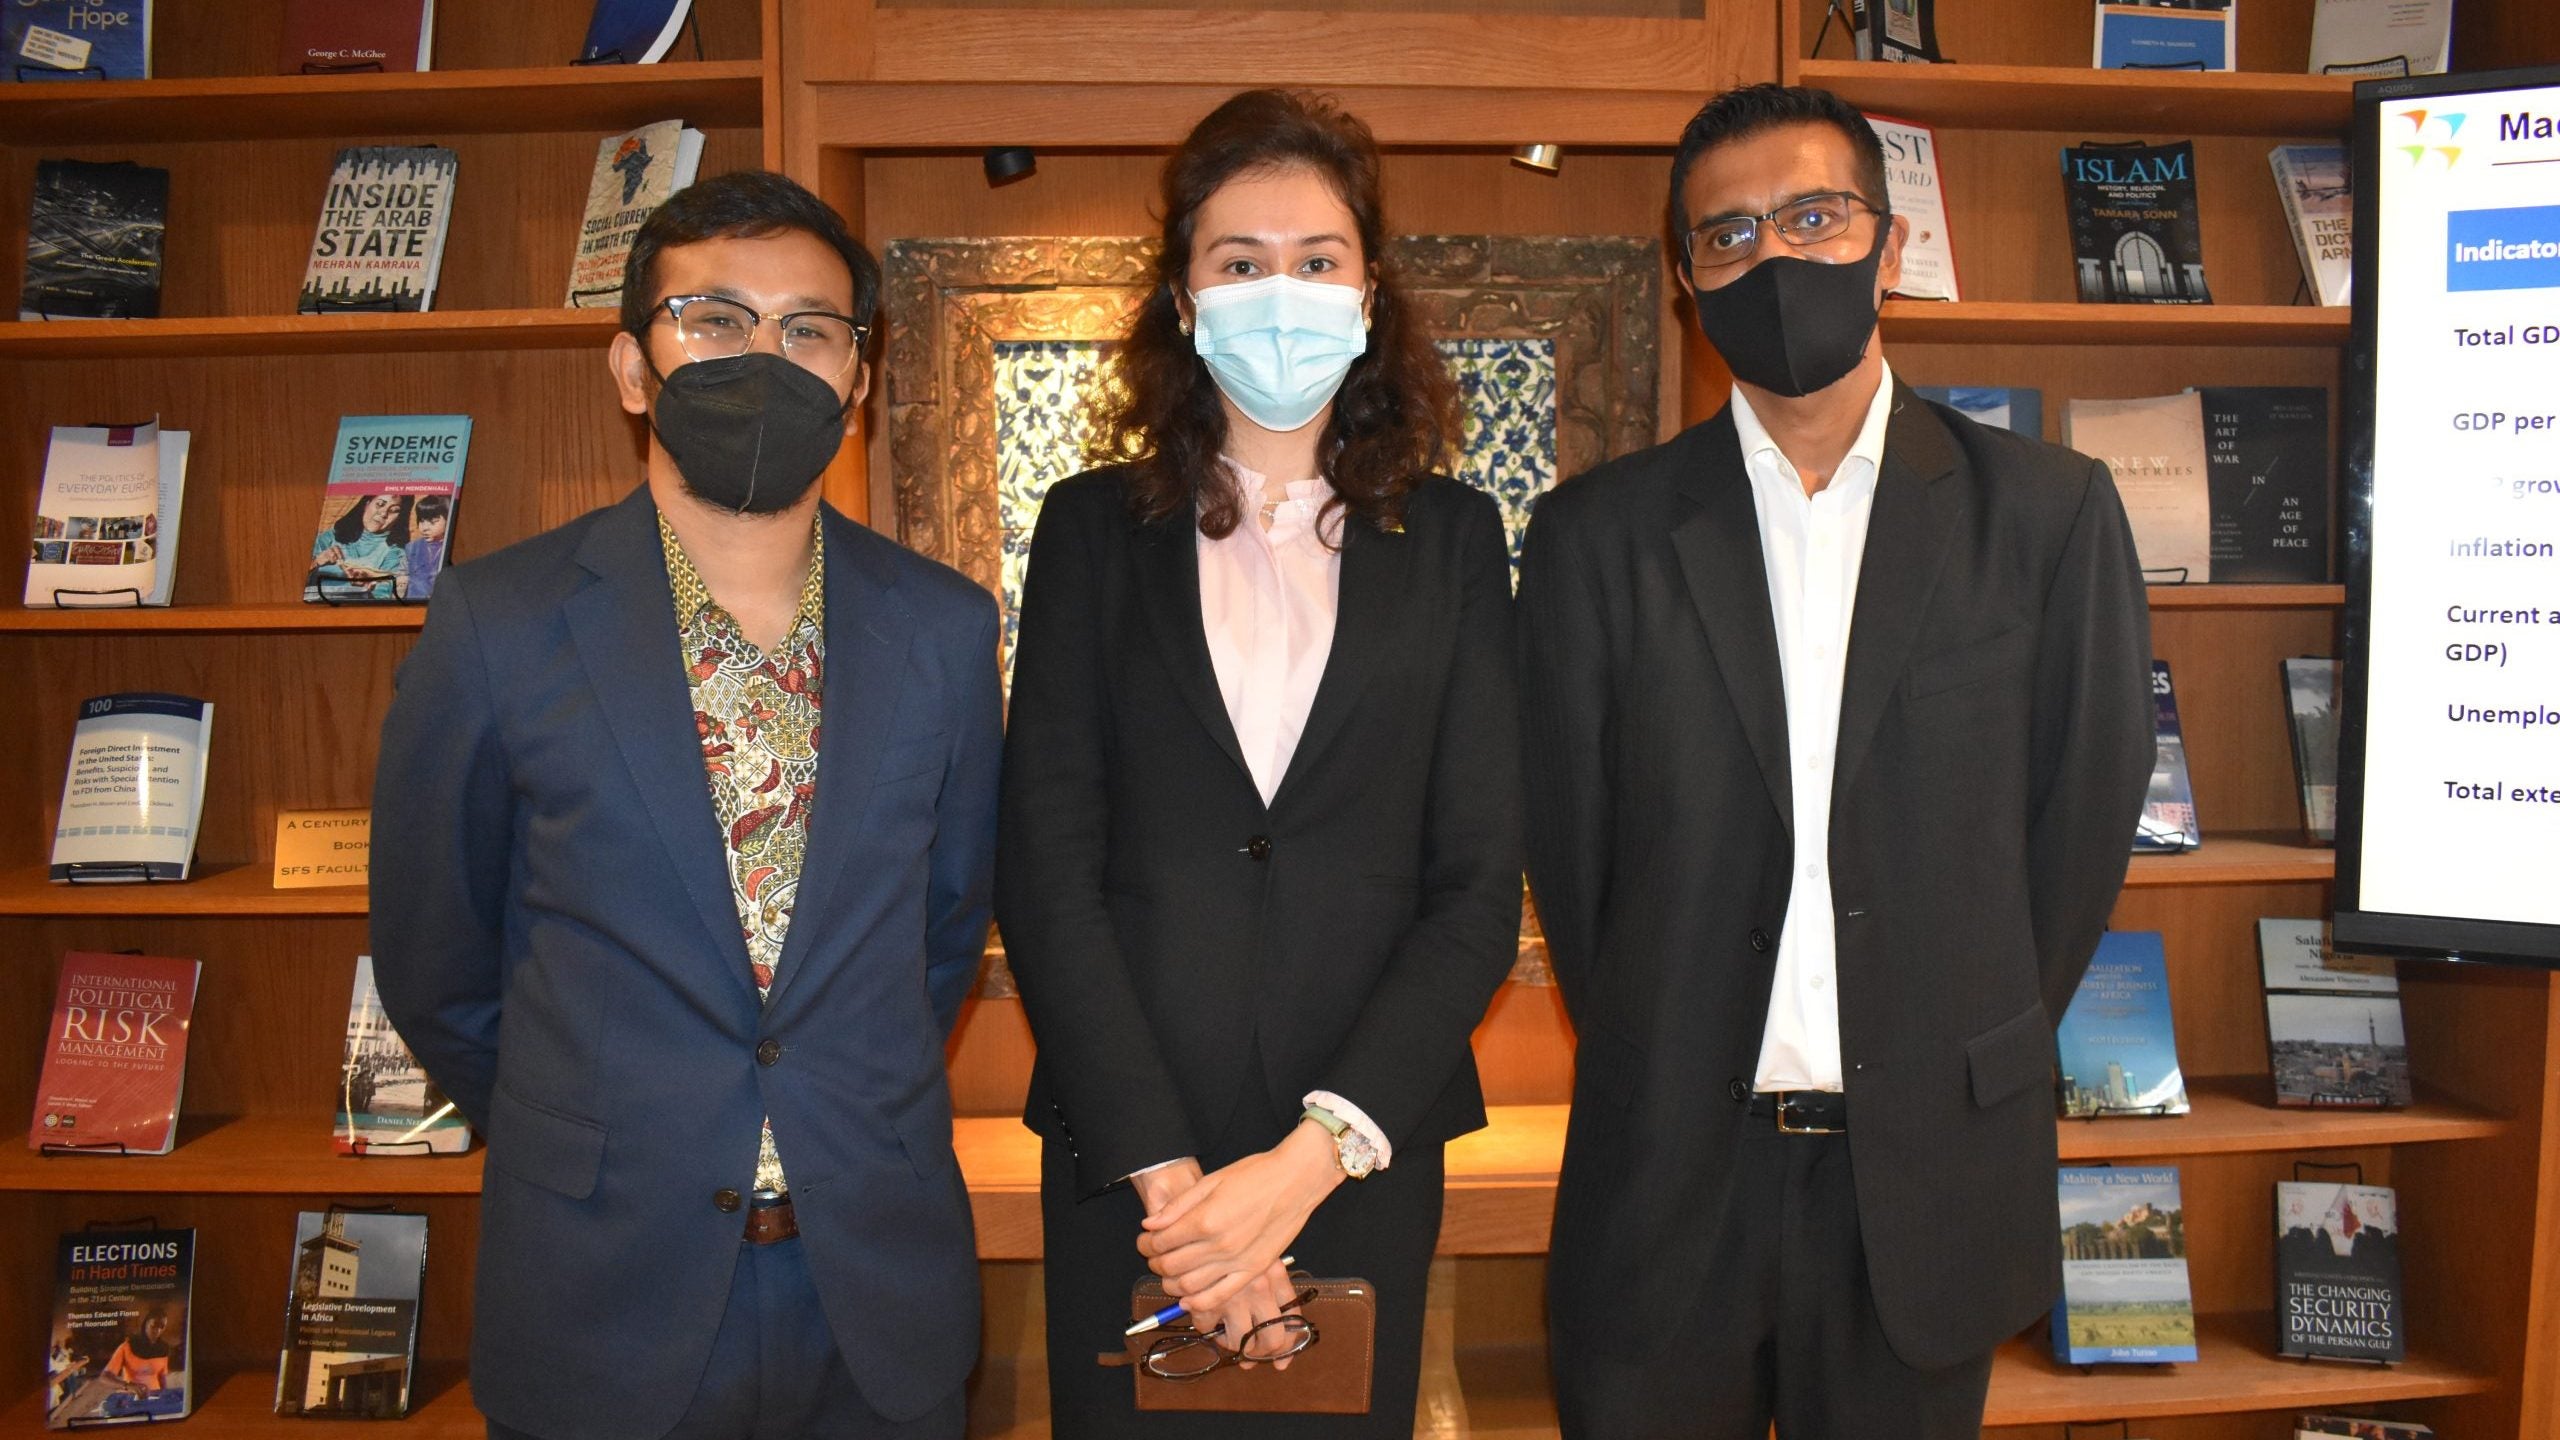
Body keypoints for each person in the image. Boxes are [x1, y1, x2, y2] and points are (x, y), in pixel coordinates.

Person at [1520, 83, 2156, 1439]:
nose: (1777, 258)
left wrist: (1948, 1039)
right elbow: (1576, 868)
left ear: (1891, 244)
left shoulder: (2046, 516)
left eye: (1814, 217)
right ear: (1689, 282)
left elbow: (2081, 826)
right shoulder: (1598, 540)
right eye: (1731, 235)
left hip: (1924, 1183)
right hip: (1669, 1176)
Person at [372, 170, 1001, 1440]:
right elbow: (438, 957)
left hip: (874, 1293)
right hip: (602, 1288)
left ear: (858, 381)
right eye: (714, 319)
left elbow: (942, 935)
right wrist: (599, 1124)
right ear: (630, 366)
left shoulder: (944, 629)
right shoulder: (497, 622)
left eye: (809, 329)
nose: (762, 356)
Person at [995, 88, 1523, 1438]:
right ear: (1184, 299)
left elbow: (1472, 886)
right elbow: (1048, 866)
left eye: (1317, 259)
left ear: (1368, 292)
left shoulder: (1455, 541)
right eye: (1238, 263)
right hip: (1132, 1158)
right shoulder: (1090, 532)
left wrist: (1294, 1176)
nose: (1277, 291)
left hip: (1358, 1147)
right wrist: (1186, 1203)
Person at [309, 492, 411, 599]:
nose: (384, 513)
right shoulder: (330, 537)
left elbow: (383, 599)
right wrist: (317, 562)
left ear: (400, 517)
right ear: (366, 504)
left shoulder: (395, 555)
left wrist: (367, 589)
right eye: (380, 504)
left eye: (394, 510)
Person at [399, 494, 452, 599]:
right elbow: (402, 575)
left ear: (448, 519)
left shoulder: (453, 547)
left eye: (433, 522)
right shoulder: (412, 548)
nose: (424, 528)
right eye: (422, 521)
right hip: (414, 603)